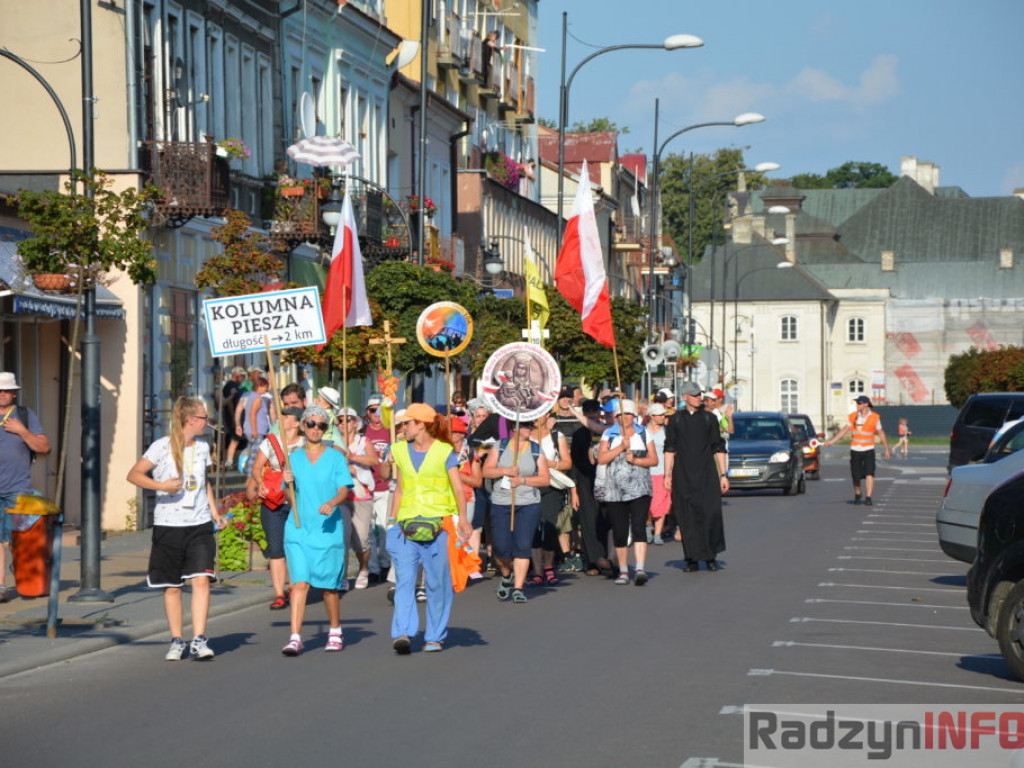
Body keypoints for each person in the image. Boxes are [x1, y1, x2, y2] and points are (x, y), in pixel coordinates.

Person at [127, 396, 226, 659]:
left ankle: (199, 639)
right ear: (190, 420)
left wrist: (215, 512)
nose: (207, 423)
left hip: (200, 523)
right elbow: (134, 474)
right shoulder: (161, 447)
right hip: (169, 525)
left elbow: (204, 482)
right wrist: (162, 486)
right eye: (204, 418)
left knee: (202, 580)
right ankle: (177, 640)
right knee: (172, 586)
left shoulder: (203, 448)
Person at [386, 403, 470, 654]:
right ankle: (402, 632)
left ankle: (434, 635)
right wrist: (392, 521)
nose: (403, 428)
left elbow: (457, 488)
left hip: (439, 525)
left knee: (437, 583)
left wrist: (463, 519)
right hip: (406, 526)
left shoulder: (444, 451)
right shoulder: (399, 450)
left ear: (420, 424)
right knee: (405, 580)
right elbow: (399, 488)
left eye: (407, 423)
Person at [278, 405, 354, 655]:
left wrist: (332, 503)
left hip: (327, 529)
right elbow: (290, 499)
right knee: (299, 584)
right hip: (298, 529)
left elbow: (344, 489)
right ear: (302, 426)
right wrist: (288, 484)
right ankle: (295, 636)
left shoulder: (335, 457)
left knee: (328, 586)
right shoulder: (293, 459)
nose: (315, 429)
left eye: (321, 425)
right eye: (311, 423)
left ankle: (335, 630)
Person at [662, 382, 728, 573]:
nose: (698, 397)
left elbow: (718, 447)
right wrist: (667, 474)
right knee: (686, 516)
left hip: (706, 473)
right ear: (685, 397)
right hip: (683, 474)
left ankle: (710, 556)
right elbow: (670, 448)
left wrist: (723, 474)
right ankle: (690, 558)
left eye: (699, 394)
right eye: (694, 395)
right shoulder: (676, 420)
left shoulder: (709, 419)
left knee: (709, 514)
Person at [482, 419, 550, 603]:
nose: (530, 429)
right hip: (501, 502)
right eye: (526, 426)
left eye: (531, 426)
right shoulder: (500, 446)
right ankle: (506, 575)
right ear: (515, 428)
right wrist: (505, 470)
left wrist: (523, 480)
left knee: (522, 546)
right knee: (501, 548)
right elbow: (486, 471)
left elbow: (545, 479)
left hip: (528, 503)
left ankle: (519, 588)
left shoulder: (536, 449)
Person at [246, 405, 304, 610]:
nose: (282, 418)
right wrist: (258, 482)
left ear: (297, 422)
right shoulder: (271, 441)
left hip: (297, 502)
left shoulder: (305, 444)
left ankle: (295, 586)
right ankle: (279, 593)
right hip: (273, 500)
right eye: (281, 415)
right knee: (276, 549)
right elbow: (256, 467)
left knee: (296, 547)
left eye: (287, 416)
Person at [0, 372, 52, 603]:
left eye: (8, 390)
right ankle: (1, 586)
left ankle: (25, 579)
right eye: (1, 390)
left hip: (17, 487)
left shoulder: (24, 415)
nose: (4, 394)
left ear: (14, 393)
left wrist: (21, 431)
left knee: (17, 538)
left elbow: (43, 447)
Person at [597, 400, 658, 585]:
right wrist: (620, 448)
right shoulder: (609, 434)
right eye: (621, 415)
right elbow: (601, 458)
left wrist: (636, 460)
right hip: (615, 490)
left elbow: (654, 460)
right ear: (616, 417)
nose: (625, 418)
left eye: (629, 414)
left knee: (639, 527)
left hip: (640, 488)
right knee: (620, 530)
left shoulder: (643, 433)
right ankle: (623, 571)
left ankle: (639, 568)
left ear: (634, 416)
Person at [337, 407, 380, 589]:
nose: (343, 423)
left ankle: (363, 568)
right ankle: (343, 575)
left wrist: (353, 458)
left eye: (347, 419)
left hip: (360, 494)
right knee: (342, 537)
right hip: (339, 496)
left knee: (361, 538)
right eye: (339, 420)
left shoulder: (363, 441)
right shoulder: (333, 443)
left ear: (355, 423)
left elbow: (374, 460)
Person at [529, 410, 573, 586]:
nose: (535, 418)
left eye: (539, 414)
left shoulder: (556, 436)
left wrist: (548, 463)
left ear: (547, 416)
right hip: (529, 485)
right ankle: (537, 571)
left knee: (549, 526)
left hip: (551, 486)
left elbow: (567, 463)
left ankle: (548, 566)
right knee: (532, 528)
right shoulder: (523, 435)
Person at [824, 395, 891, 506]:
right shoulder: (853, 417)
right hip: (855, 449)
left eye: (859, 403)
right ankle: (858, 493)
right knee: (856, 475)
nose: (857, 405)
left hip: (869, 449)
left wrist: (886, 449)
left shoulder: (875, 417)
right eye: (857, 403)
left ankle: (868, 497)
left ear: (866, 404)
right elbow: (844, 430)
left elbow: (881, 433)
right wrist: (832, 441)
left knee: (870, 473)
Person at [362, 395, 393, 582]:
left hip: (384, 486)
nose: (377, 414)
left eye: (380, 410)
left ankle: (385, 562)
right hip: (367, 487)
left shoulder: (390, 432)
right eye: (373, 410)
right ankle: (372, 567)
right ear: (367, 413)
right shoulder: (362, 433)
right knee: (368, 530)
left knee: (384, 528)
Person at [645, 403, 671, 545]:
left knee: (662, 503)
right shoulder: (643, 431)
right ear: (652, 416)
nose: (663, 417)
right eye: (660, 415)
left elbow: (671, 452)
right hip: (646, 472)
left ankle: (658, 534)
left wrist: (670, 472)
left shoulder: (667, 431)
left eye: (664, 414)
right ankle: (648, 527)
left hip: (663, 472)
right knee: (647, 504)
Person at [221, 366, 247, 467]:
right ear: (236, 376)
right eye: (242, 377)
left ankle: (232, 460)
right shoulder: (231, 386)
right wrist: (233, 418)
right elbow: (230, 403)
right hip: (233, 417)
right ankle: (229, 461)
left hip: (237, 417)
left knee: (237, 438)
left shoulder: (235, 386)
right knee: (235, 438)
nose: (243, 379)